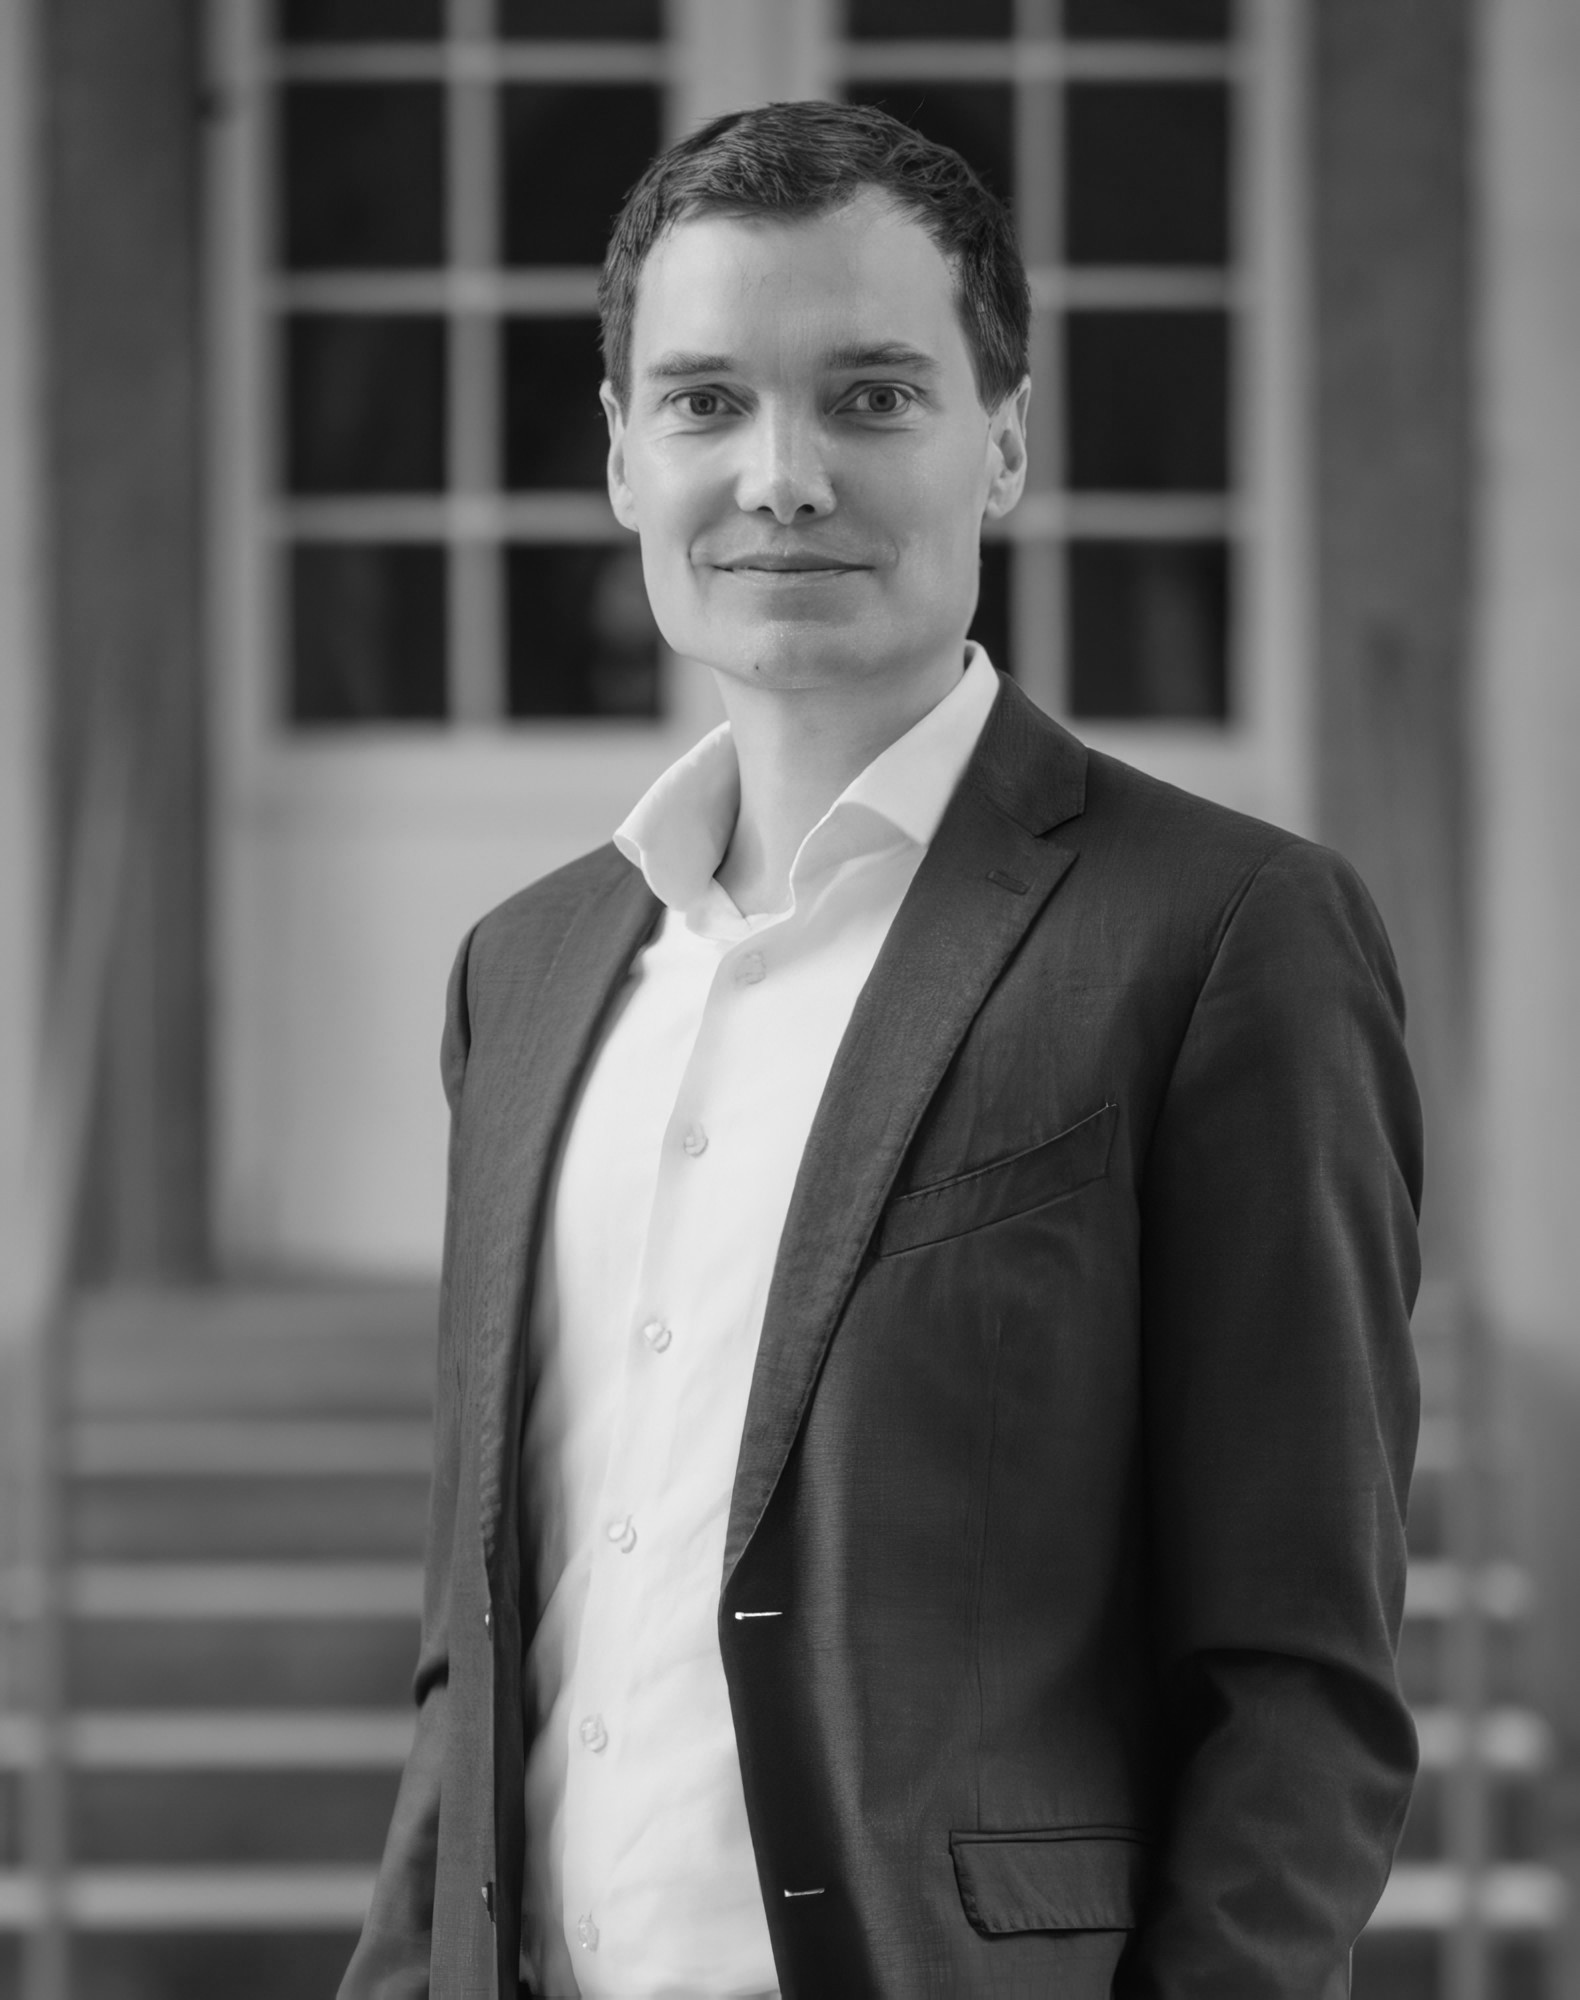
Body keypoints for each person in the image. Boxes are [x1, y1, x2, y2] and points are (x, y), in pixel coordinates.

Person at [341, 101, 1422, 2000]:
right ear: (617, 456)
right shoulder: (520, 977)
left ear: (1003, 436)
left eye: (870, 395)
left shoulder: (1224, 935)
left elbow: (1301, 1692)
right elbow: (478, 1654)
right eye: (702, 403)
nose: (780, 478)